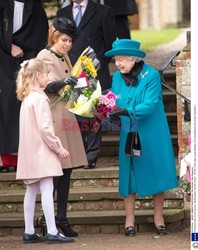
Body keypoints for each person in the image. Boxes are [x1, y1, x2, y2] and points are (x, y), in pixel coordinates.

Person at [105, 39, 178, 236]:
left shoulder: (151, 75)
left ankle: (159, 218)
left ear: (134, 59)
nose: (118, 64)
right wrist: (104, 104)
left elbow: (150, 104)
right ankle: (129, 221)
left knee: (156, 170)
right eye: (116, 60)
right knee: (129, 176)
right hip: (129, 130)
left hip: (152, 131)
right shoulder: (118, 77)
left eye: (122, 60)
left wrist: (125, 110)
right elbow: (113, 98)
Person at [37, 17, 87, 237]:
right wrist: (63, 83)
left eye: (70, 40)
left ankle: (61, 219)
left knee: (67, 171)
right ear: (54, 36)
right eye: (63, 39)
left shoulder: (65, 56)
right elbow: (45, 85)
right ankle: (47, 220)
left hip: (67, 114)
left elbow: (71, 83)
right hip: (53, 117)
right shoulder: (43, 56)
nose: (67, 44)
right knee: (55, 172)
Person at [16, 58, 74, 244]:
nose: (48, 78)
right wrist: (59, 147)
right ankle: (52, 231)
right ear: (39, 75)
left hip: (30, 151)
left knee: (31, 189)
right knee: (47, 189)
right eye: (47, 74)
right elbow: (45, 129)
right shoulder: (40, 99)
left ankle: (29, 231)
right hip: (42, 151)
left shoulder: (27, 98)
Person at [57, 0, 117, 169]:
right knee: (75, 116)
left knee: (93, 114)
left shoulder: (103, 11)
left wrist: (94, 65)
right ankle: (78, 154)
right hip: (70, 74)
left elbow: (110, 43)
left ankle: (91, 156)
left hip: (94, 73)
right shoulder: (63, 13)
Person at [0, 0, 49, 173]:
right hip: (3, 61)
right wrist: (9, 45)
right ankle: (5, 159)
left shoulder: (34, 6)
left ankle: (23, 158)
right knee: (5, 108)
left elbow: (40, 33)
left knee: (25, 107)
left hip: (27, 61)